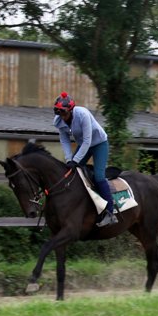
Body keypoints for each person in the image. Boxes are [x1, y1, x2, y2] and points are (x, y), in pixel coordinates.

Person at [53, 92, 117, 227]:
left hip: (99, 144)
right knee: (71, 173)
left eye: (64, 113)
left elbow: (88, 141)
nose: (62, 117)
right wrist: (69, 159)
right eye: (59, 113)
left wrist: (75, 160)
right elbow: (64, 141)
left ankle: (110, 213)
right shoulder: (59, 121)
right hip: (84, 145)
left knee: (99, 176)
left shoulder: (83, 114)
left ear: (71, 110)